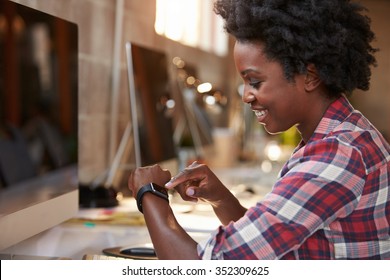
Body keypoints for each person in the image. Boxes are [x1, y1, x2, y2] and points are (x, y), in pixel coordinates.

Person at [128, 0, 390, 259]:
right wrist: (222, 199)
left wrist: (149, 194)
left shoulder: (336, 157)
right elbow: (269, 247)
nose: (246, 96)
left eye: (255, 81)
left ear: (310, 76)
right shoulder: (343, 136)